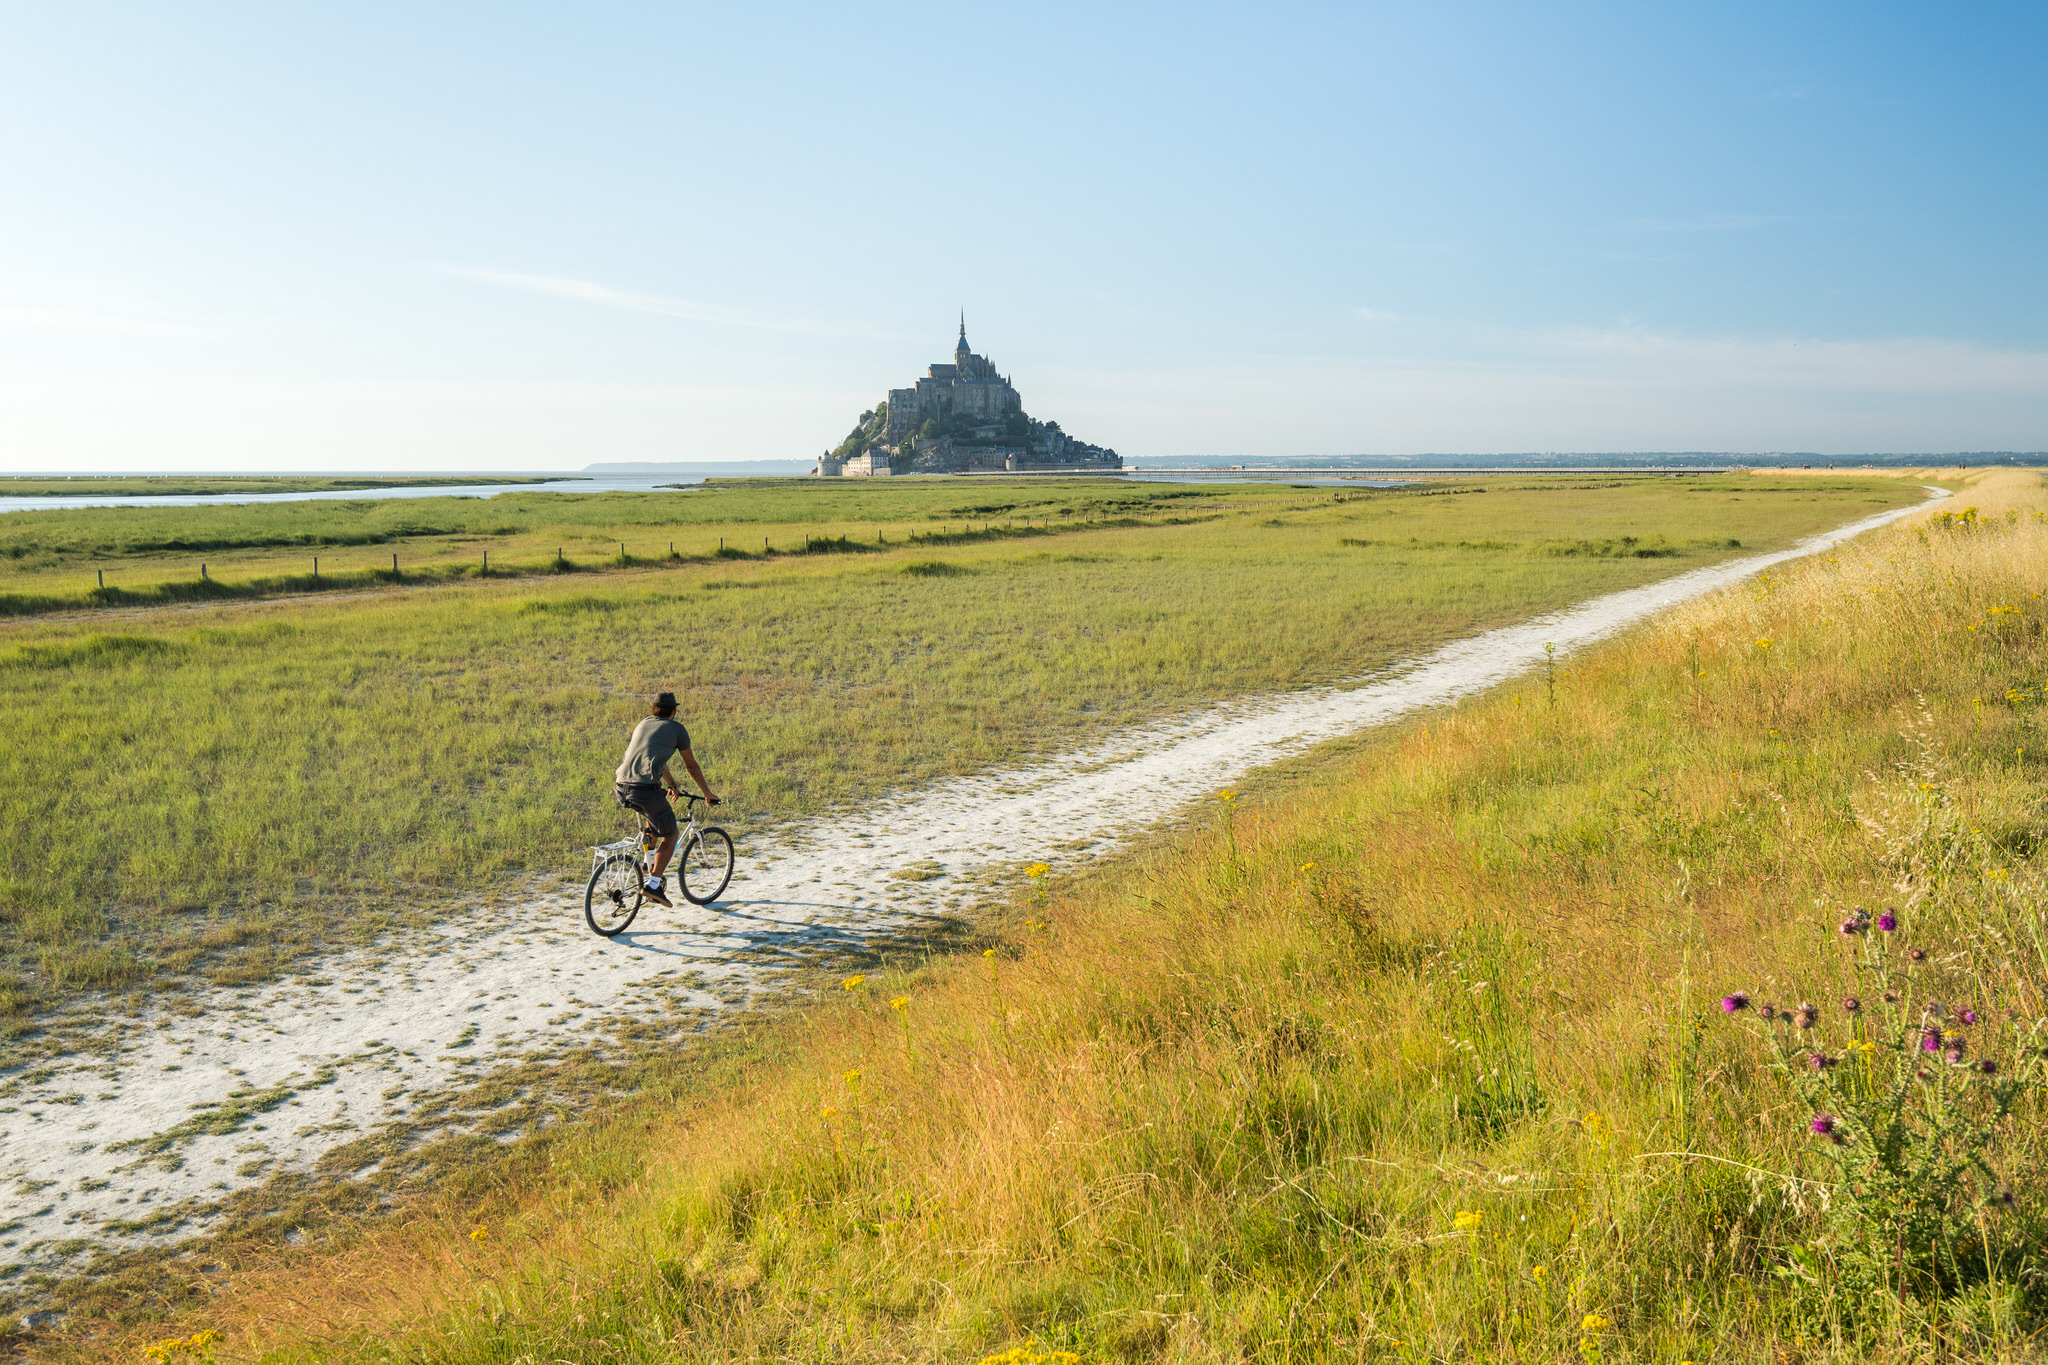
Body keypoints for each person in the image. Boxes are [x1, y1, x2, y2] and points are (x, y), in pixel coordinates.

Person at [613, 692, 719, 907]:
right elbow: (691, 766)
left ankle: (646, 863)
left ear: (653, 709)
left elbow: (658, 763)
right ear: (674, 710)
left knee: (652, 819)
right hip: (645, 790)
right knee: (670, 835)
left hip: (621, 787)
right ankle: (653, 886)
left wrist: (672, 785)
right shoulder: (677, 729)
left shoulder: (643, 724)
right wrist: (708, 793)